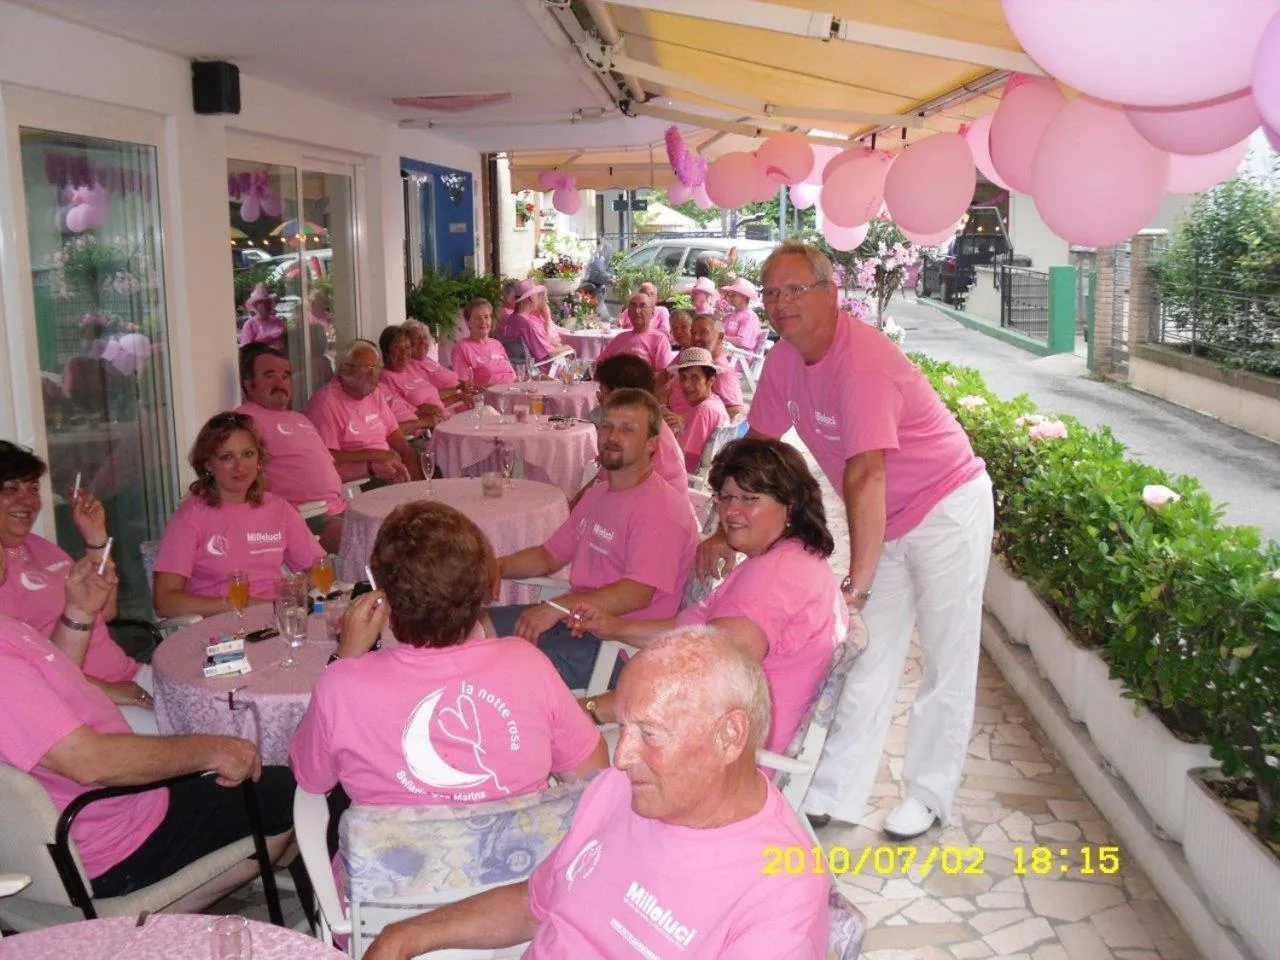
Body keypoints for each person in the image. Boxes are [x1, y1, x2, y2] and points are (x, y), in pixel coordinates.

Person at [702, 240, 994, 840]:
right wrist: (721, 529)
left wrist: (855, 587)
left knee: (946, 654)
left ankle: (929, 793)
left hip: (946, 506)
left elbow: (866, 475)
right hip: (884, 513)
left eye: (795, 290)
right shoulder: (785, 360)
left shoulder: (861, 361)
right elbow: (755, 448)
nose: (782, 305)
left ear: (830, 293)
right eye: (772, 293)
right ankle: (835, 791)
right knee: (863, 652)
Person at [363, 627, 830, 960]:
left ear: (730, 736)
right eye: (621, 726)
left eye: (649, 733)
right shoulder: (618, 791)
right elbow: (535, 903)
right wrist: (406, 935)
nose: (621, 756)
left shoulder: (781, 890)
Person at [291, 501, 608, 806]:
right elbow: (591, 775)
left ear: (382, 595)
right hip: (521, 858)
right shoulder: (528, 664)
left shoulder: (342, 686)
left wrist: (344, 658)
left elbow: (309, 777)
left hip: (390, 861)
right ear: (480, 590)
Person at [572, 438, 847, 756]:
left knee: (553, 741)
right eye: (726, 497)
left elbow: (699, 683)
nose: (731, 511)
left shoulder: (769, 585)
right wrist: (615, 627)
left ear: (790, 506)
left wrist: (593, 708)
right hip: (721, 735)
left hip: (718, 761)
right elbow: (699, 636)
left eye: (749, 499)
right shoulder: (795, 556)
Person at [0, 612, 295, 898]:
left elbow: (56, 685)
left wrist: (79, 611)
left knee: (249, 774)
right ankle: (327, 924)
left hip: (114, 809)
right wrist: (216, 751)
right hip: (116, 844)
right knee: (289, 788)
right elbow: (89, 762)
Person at [487, 390, 698, 691]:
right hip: (574, 622)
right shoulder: (599, 493)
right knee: (473, 628)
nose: (612, 436)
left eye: (627, 429)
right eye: (607, 426)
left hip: (617, 648)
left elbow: (637, 592)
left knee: (497, 671)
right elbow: (550, 556)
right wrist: (497, 566)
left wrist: (557, 608)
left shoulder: (662, 510)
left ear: (652, 443)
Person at [0, 442, 154, 731]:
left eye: (33, 489)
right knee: (188, 737)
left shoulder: (41, 547)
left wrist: (95, 535)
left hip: (126, 673)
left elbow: (105, 611)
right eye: (10, 489)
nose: (28, 500)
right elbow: (24, 671)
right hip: (78, 699)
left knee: (215, 704)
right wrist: (109, 691)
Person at [152, 412, 326, 618]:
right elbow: (164, 602)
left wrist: (292, 591)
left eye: (248, 454)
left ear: (259, 457)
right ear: (208, 464)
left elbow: (320, 569)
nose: (240, 466)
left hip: (274, 619)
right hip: (220, 626)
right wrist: (242, 604)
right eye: (227, 457)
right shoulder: (190, 517)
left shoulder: (278, 508)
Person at [236, 345, 353, 553]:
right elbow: (243, 482)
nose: (280, 382)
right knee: (365, 544)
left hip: (340, 506)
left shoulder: (300, 419)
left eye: (286, 375)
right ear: (248, 384)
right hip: (305, 517)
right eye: (269, 376)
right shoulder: (245, 422)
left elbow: (332, 469)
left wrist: (372, 467)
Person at [573, 354, 689, 513]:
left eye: (604, 395)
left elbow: (610, 498)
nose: (600, 402)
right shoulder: (641, 422)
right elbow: (601, 480)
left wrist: (571, 509)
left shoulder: (635, 437)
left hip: (654, 517)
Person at [305, 340, 422, 484]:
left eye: (376, 367)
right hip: (360, 479)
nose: (374, 374)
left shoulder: (374, 393)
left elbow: (392, 431)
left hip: (387, 465)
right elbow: (327, 456)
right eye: (366, 367)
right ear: (344, 369)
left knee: (428, 466)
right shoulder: (325, 403)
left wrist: (407, 452)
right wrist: (376, 456)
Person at [661, 314, 745, 429]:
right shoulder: (691, 359)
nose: (696, 338)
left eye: (703, 332)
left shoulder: (721, 373)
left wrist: (685, 421)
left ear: (720, 337)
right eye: (693, 333)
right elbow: (664, 383)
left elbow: (734, 416)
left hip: (685, 434)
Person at [669, 348, 731, 473]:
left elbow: (688, 461)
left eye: (695, 378)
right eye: (683, 377)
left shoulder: (704, 410)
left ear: (711, 380)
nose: (686, 384)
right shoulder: (715, 402)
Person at [377, 325, 448, 428]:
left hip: (444, 419)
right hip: (426, 430)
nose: (404, 353)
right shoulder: (384, 377)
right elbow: (399, 409)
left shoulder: (411, 368)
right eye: (397, 348)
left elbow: (435, 398)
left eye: (407, 347)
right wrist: (420, 409)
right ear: (386, 351)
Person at [403, 319, 474, 405]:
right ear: (407, 342)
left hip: (462, 398)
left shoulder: (427, 360)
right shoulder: (410, 366)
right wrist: (458, 390)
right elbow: (428, 396)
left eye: (425, 337)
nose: (422, 341)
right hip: (450, 405)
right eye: (417, 338)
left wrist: (464, 386)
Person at [597, 293, 675, 372]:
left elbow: (664, 375)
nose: (637, 311)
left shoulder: (659, 340)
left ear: (652, 312)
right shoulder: (621, 337)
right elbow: (599, 363)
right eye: (633, 305)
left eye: (643, 306)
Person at [502, 279, 572, 366]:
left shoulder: (512, 319)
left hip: (519, 367)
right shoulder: (527, 323)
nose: (539, 299)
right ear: (530, 298)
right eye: (537, 295)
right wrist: (568, 348)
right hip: (541, 369)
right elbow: (548, 352)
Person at [450, 298, 517, 387]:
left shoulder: (497, 344)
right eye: (477, 318)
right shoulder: (462, 348)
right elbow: (463, 385)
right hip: (486, 398)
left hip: (511, 392)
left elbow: (513, 376)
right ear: (468, 322)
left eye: (486, 317)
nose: (483, 322)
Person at [719, 277, 765, 352]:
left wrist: (724, 338)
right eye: (730, 294)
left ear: (744, 297)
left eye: (733, 295)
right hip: (726, 354)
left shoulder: (750, 317)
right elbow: (716, 331)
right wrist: (717, 317)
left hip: (739, 358)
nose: (730, 297)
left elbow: (743, 342)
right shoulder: (729, 315)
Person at [238, 283, 287, 351]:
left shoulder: (277, 321)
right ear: (255, 306)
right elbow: (246, 350)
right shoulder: (250, 324)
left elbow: (284, 344)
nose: (266, 305)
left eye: (267, 302)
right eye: (262, 302)